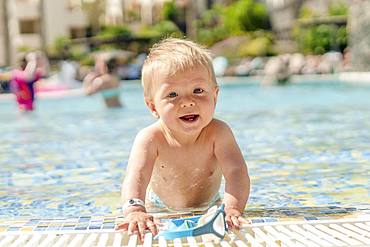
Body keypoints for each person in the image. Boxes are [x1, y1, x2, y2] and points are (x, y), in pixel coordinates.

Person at [116, 38, 250, 241]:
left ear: (215, 96)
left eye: (198, 91)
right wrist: (135, 210)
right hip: (159, 205)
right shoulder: (150, 139)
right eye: (172, 94)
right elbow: (136, 177)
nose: (188, 102)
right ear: (153, 107)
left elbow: (236, 172)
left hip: (210, 204)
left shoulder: (219, 133)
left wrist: (232, 209)